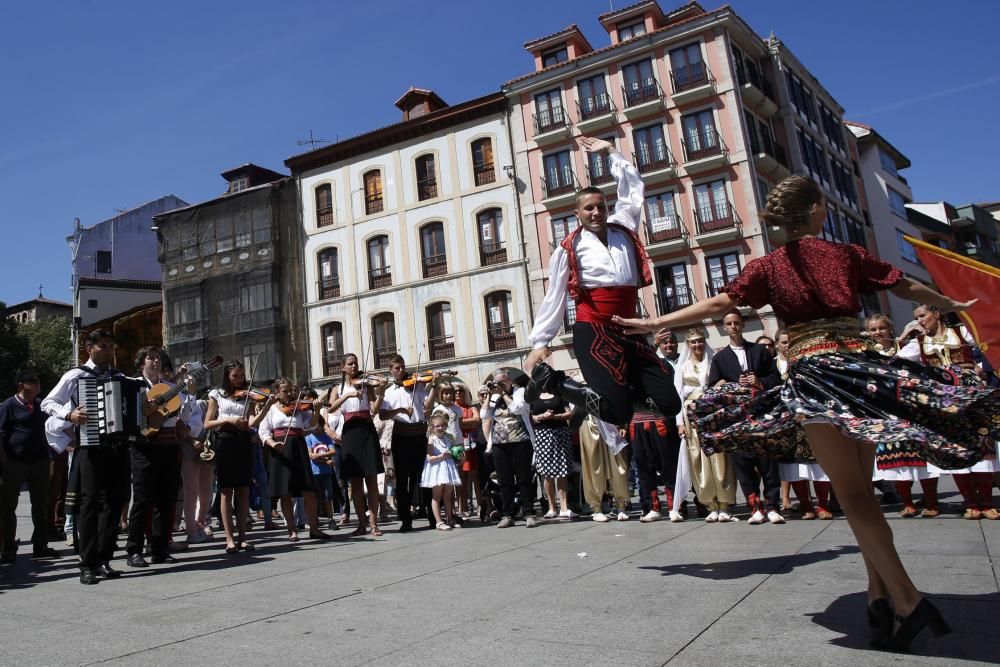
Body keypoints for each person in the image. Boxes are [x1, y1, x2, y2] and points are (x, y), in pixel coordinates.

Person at [614, 174, 1000, 650]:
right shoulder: (846, 255)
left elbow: (721, 302)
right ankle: (878, 593)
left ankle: (905, 598)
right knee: (860, 490)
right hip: (859, 373)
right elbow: (904, 287)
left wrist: (655, 321)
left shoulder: (770, 266)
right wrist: (950, 302)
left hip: (817, 375)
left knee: (853, 495)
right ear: (817, 210)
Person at [524, 136, 680, 430]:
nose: (596, 212)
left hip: (629, 328)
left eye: (601, 206)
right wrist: (540, 343)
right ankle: (555, 382)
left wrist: (611, 152)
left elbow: (634, 190)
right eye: (589, 208)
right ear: (577, 214)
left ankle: (616, 399)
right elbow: (555, 296)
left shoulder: (623, 228)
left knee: (669, 403)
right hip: (593, 330)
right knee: (617, 413)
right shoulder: (569, 248)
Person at [42, 329, 132, 584]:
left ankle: (104, 558)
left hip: (116, 448)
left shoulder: (120, 377)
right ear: (89, 349)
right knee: (90, 504)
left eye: (111, 346)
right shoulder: (77, 375)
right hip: (89, 446)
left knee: (115, 503)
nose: (108, 350)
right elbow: (47, 403)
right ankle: (87, 563)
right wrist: (69, 415)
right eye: (103, 345)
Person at [899, 305, 997, 519]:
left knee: (982, 440)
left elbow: (989, 341)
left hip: (971, 395)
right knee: (954, 446)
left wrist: (979, 365)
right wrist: (904, 337)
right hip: (943, 401)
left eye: (923, 316)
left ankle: (987, 503)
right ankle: (970, 503)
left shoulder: (961, 332)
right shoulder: (919, 343)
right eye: (916, 318)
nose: (920, 321)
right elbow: (897, 362)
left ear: (937, 313)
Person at [707, 310, 784, 525]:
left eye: (736, 322)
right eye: (729, 323)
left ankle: (772, 507)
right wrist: (733, 385)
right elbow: (713, 388)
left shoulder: (759, 351)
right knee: (743, 464)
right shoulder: (720, 358)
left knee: (768, 461)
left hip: (762, 415)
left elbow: (776, 378)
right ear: (724, 328)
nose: (733, 326)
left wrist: (759, 382)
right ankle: (755, 507)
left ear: (742, 324)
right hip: (737, 419)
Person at [124, 347, 195, 568]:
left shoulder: (173, 387)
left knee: (166, 499)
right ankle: (134, 550)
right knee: (144, 498)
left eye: (157, 358)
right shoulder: (133, 385)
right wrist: (148, 409)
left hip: (169, 444)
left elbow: (183, 417)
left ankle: (159, 549)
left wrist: (190, 394)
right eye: (150, 358)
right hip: (144, 446)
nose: (155, 361)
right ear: (141, 363)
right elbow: (129, 414)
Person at [866, 314, 940, 518]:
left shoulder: (906, 347)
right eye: (873, 330)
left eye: (881, 328)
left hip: (912, 408)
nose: (877, 332)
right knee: (896, 458)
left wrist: (905, 337)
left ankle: (931, 500)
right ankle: (907, 502)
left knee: (923, 454)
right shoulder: (866, 352)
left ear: (890, 329)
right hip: (886, 410)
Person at [204, 360, 272, 553]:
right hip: (225, 441)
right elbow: (207, 423)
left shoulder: (248, 396)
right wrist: (227, 419)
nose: (239, 379)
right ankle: (229, 539)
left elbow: (251, 423)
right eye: (235, 376)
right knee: (226, 490)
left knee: (243, 489)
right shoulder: (216, 394)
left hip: (243, 442)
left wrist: (266, 407)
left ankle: (243, 537)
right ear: (227, 376)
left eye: (241, 375)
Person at [259, 378, 331, 542]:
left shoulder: (300, 408)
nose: (290, 394)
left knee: (309, 491)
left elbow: (310, 426)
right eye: (286, 391)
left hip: (298, 447)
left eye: (291, 390)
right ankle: (291, 529)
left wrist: (317, 410)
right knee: (286, 492)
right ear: (277, 392)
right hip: (280, 449)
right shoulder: (270, 409)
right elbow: (263, 432)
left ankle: (314, 528)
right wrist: (272, 443)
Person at [674, 329, 735, 522]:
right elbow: (677, 396)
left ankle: (725, 503)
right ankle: (710, 504)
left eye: (700, 341)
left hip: (713, 413)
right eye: (693, 342)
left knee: (720, 457)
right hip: (691, 415)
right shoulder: (682, 367)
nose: (697, 345)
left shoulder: (714, 361)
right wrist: (679, 423)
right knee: (698, 458)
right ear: (688, 345)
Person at [0, 368, 58, 562]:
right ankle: (8, 548)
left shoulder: (42, 406)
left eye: (38, 382)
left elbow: (52, 429)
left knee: (40, 505)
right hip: (14, 463)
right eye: (31, 381)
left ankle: (40, 546)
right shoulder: (8, 406)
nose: (36, 385)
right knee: (8, 507)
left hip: (40, 462)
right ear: (20, 386)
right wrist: (4, 461)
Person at [328, 354, 387, 536]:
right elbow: (330, 408)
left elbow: (373, 410)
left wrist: (381, 392)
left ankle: (374, 523)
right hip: (350, 431)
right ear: (343, 367)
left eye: (355, 363)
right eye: (350, 364)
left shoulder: (365, 384)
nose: (354, 366)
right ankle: (361, 523)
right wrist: (348, 395)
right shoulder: (339, 388)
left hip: (366, 429)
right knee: (356, 481)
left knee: (371, 479)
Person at [380, 356, 432, 532]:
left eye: (402, 367)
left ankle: (432, 516)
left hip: (419, 433)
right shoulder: (388, 392)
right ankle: (405, 519)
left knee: (424, 475)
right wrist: (401, 410)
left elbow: (427, 406)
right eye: (397, 368)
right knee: (402, 479)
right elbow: (383, 415)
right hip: (401, 435)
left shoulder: (417, 385)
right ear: (391, 370)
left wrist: (433, 386)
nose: (401, 370)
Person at [484, 369, 536, 528]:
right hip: (500, 444)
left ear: (509, 381)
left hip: (520, 441)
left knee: (523, 479)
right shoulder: (494, 397)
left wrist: (504, 394)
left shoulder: (519, 392)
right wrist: (488, 396)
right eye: (497, 382)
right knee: (504, 480)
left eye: (503, 382)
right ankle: (508, 514)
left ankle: (528, 513)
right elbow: (483, 415)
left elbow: (518, 408)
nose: (500, 385)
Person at [529, 390, 576, 520]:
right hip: (542, 434)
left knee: (563, 470)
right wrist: (541, 417)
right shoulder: (533, 397)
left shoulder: (560, 394)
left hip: (560, 433)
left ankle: (564, 507)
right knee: (546, 472)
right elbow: (529, 417)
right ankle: (551, 507)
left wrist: (555, 416)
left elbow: (569, 413)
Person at [420, 413, 462, 530]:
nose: (440, 428)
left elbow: (454, 452)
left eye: (442, 425)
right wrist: (442, 456)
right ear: (432, 428)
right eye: (437, 426)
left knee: (448, 496)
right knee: (437, 497)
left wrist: (458, 456)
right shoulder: (432, 440)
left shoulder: (449, 438)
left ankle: (450, 519)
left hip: (448, 469)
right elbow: (429, 458)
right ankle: (438, 521)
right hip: (437, 470)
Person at [454, 384, 484, 517]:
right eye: (455, 391)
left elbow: (477, 420)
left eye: (460, 390)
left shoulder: (471, 407)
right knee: (461, 478)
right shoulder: (453, 408)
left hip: (471, 445)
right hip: (458, 444)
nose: (458, 393)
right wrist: (468, 422)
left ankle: (480, 506)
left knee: (474, 476)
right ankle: (463, 507)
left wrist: (461, 423)